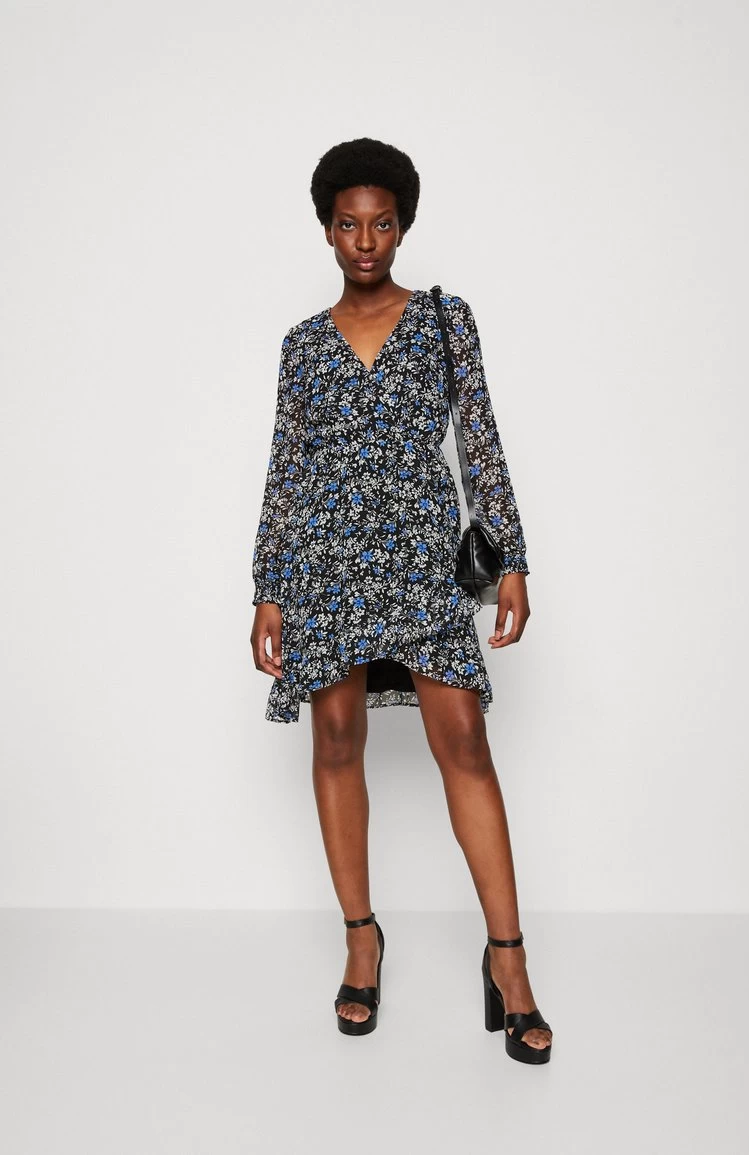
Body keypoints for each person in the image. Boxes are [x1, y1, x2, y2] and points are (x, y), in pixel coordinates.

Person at [249, 138, 552, 1064]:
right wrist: (269, 586)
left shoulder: (444, 321)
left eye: (381, 223)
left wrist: (509, 557)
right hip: (326, 563)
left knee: (463, 741)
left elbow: (481, 440)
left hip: (420, 554)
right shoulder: (303, 345)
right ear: (326, 230)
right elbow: (287, 467)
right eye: (349, 224)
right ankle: (361, 940)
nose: (365, 241)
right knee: (337, 738)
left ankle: (509, 960)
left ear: (403, 227)